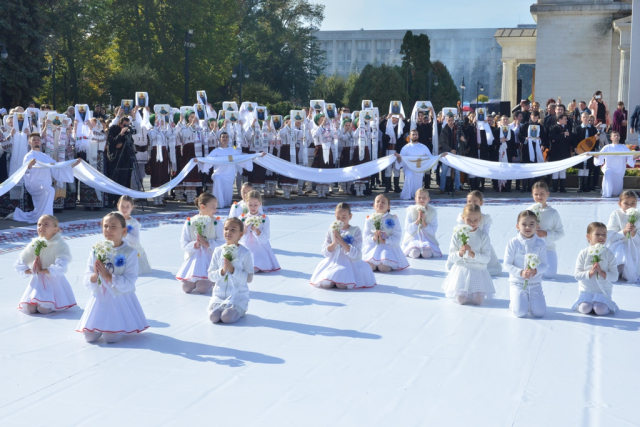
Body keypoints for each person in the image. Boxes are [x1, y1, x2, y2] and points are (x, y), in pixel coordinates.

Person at [76, 211, 149, 343]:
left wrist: (109, 276)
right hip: (100, 297)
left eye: (113, 227)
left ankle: (118, 324)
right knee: (89, 337)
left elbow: (130, 281)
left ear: (124, 230)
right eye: (105, 226)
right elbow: (88, 275)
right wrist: (94, 276)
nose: (108, 230)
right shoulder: (96, 250)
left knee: (111, 338)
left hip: (118, 297)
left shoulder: (130, 252)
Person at [10, 134, 79, 223]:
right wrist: (30, 165)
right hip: (33, 184)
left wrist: (72, 164)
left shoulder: (45, 157)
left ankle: (36, 216)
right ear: (30, 142)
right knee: (50, 190)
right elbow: (26, 170)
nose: (36, 141)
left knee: (48, 191)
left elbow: (56, 167)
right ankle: (47, 219)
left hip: (45, 183)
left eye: (38, 139)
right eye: (34, 140)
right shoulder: (28, 156)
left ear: (41, 142)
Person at [15, 214, 76, 314]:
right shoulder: (35, 243)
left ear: (55, 229)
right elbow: (21, 261)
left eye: (46, 224)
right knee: (30, 309)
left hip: (53, 281)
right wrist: (32, 271)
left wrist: (43, 270)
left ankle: (53, 303)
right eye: (39, 225)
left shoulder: (60, 245)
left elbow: (61, 265)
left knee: (43, 309)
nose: (41, 227)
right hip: (37, 281)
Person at [310, 202, 376, 289]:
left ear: (350, 216)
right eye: (338, 217)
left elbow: (356, 253)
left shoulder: (355, 230)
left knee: (341, 284)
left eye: (344, 217)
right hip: (334, 261)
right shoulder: (331, 230)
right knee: (326, 284)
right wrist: (334, 243)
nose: (341, 220)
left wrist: (341, 242)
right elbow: (325, 251)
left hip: (349, 262)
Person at [442, 203, 495, 305]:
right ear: (463, 218)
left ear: (480, 219)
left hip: (478, 270)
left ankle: (475, 292)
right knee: (461, 300)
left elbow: (486, 259)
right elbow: (451, 257)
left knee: (478, 300)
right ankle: (464, 291)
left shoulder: (483, 236)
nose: (472, 223)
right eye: (469, 220)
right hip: (462, 269)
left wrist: (473, 254)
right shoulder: (457, 234)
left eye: (475, 220)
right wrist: (460, 253)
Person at [207, 217, 254, 324]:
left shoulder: (245, 253)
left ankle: (241, 309)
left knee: (226, 318)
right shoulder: (218, 251)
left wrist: (233, 270)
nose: (228, 232)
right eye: (226, 229)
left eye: (233, 230)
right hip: (219, 296)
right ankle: (221, 308)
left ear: (241, 234)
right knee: (213, 318)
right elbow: (210, 275)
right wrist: (222, 271)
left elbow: (249, 278)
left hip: (237, 296)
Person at [176, 193, 224, 293]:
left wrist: (207, 244)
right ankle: (196, 279)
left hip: (210, 260)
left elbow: (222, 243)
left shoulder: (217, 223)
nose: (215, 210)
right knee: (186, 288)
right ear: (203, 206)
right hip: (194, 260)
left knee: (202, 289)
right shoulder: (190, 222)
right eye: (213, 207)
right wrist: (195, 245)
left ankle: (212, 280)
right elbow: (184, 244)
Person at [504, 209, 549, 318]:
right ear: (517, 226)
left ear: (537, 226)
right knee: (520, 313)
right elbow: (507, 264)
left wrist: (536, 270)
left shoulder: (540, 243)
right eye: (524, 224)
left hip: (534, 283)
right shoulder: (513, 243)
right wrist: (521, 273)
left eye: (531, 224)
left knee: (539, 313)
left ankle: (530, 301)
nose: (528, 227)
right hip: (518, 283)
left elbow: (544, 264)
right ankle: (515, 302)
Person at [572, 222, 618, 316]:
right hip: (587, 291)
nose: (601, 237)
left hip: (602, 292)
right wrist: (590, 273)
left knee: (600, 310)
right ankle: (586, 303)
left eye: (604, 234)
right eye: (597, 234)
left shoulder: (609, 254)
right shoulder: (583, 253)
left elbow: (615, 277)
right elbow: (577, 275)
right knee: (585, 308)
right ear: (588, 237)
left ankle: (606, 305)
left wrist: (601, 272)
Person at [456, 191, 502, 276]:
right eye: (469, 201)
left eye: (475, 201)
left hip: (480, 242)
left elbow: (485, 233)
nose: (472, 203)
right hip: (466, 241)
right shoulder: (463, 217)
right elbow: (461, 230)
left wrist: (479, 242)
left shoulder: (485, 218)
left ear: (481, 203)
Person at [362, 194, 409, 272]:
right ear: (374, 205)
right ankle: (374, 263)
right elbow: (365, 237)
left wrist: (385, 241)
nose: (380, 203)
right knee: (370, 267)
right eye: (377, 201)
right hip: (373, 248)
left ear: (388, 207)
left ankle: (384, 263)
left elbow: (397, 237)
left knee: (384, 268)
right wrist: (373, 238)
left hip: (388, 248)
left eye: (383, 202)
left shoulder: (393, 218)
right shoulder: (369, 219)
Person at [202, 131, 249, 209]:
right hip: (219, 174)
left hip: (229, 176)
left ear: (228, 139)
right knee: (217, 179)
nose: (225, 138)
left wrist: (255, 156)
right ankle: (218, 203)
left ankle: (225, 204)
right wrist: (200, 161)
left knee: (227, 199)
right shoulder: (216, 151)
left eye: (226, 137)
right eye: (223, 137)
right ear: (220, 139)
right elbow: (208, 160)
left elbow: (241, 159)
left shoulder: (233, 151)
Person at [529, 181, 564, 279]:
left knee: (550, 274)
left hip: (548, 247)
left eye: (542, 194)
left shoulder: (553, 213)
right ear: (532, 195)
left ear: (547, 194)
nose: (539, 196)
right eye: (536, 194)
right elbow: (520, 232)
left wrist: (546, 234)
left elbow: (560, 233)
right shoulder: (528, 211)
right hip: (531, 247)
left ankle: (540, 268)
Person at [239, 191, 280, 273]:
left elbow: (266, 237)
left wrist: (257, 231)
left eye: (255, 205)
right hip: (245, 245)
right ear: (246, 204)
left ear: (260, 204)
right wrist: (244, 231)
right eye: (250, 205)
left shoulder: (264, 219)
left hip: (259, 246)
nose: (252, 207)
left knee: (255, 268)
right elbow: (238, 237)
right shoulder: (242, 218)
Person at [605, 190, 640, 283]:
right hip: (617, 247)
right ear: (619, 204)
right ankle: (617, 269)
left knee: (632, 275)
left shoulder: (638, 216)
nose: (629, 206)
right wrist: (624, 231)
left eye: (633, 203)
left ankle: (628, 271)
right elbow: (610, 237)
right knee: (621, 248)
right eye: (626, 203)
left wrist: (633, 233)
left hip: (635, 248)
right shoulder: (616, 214)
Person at [593, 131, 635, 198]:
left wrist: (638, 155)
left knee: (616, 193)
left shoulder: (624, 147)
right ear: (611, 138)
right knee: (608, 173)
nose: (616, 137)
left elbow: (631, 157)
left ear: (619, 137)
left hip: (619, 172)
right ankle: (606, 195)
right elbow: (600, 156)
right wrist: (592, 154)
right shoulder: (607, 147)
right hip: (609, 169)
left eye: (617, 135)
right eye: (614, 135)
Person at [401, 188, 441, 259]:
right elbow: (407, 229)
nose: (422, 200)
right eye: (419, 198)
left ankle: (425, 249)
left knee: (426, 254)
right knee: (414, 253)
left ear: (428, 199)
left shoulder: (432, 212)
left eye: (424, 198)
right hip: (413, 238)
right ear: (415, 199)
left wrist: (424, 223)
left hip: (427, 238)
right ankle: (414, 249)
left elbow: (432, 231)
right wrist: (417, 221)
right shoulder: (411, 211)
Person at [77, 117, 107, 210]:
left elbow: (98, 138)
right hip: (87, 157)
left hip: (98, 158)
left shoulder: (102, 132)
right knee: (87, 180)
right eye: (90, 123)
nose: (90, 124)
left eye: (92, 123)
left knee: (97, 179)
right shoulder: (86, 132)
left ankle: (98, 202)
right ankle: (87, 203)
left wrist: (91, 128)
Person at [106, 114, 135, 207]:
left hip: (125, 158)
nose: (126, 127)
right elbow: (111, 142)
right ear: (120, 123)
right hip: (115, 158)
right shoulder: (113, 129)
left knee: (124, 180)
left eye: (127, 125)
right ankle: (111, 200)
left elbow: (130, 142)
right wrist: (121, 134)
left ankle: (120, 200)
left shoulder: (128, 131)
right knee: (114, 179)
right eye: (124, 125)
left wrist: (123, 143)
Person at [117, 195, 151, 275]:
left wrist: (126, 235)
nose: (124, 209)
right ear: (118, 206)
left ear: (132, 207)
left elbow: (136, 240)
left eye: (127, 206)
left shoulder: (133, 223)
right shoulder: (114, 218)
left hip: (129, 247)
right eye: (122, 206)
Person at [394, 129, 432, 200]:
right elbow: (401, 160)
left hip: (419, 168)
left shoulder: (423, 147)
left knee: (418, 182)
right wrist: (398, 157)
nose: (415, 136)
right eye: (413, 135)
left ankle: (417, 196)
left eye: (416, 135)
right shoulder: (406, 147)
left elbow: (430, 157)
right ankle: (406, 195)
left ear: (418, 136)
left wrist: (439, 157)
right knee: (409, 175)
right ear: (410, 136)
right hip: (408, 168)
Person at [518, 111, 546, 192]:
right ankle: (524, 186)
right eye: (534, 117)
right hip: (526, 149)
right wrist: (525, 139)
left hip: (535, 149)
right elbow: (520, 136)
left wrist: (540, 140)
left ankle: (531, 186)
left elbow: (544, 137)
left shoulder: (540, 126)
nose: (535, 119)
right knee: (525, 167)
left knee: (533, 168)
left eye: (536, 117)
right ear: (530, 116)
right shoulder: (525, 125)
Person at [146, 114, 171, 206]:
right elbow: (153, 137)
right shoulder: (151, 131)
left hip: (163, 155)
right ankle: (155, 198)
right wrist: (156, 126)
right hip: (156, 154)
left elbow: (170, 134)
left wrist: (169, 122)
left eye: (161, 120)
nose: (161, 122)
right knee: (156, 175)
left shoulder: (163, 131)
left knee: (163, 176)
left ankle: (160, 198)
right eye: (158, 120)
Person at [311, 114, 337, 198]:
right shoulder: (314, 129)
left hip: (327, 149)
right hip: (320, 149)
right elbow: (315, 135)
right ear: (318, 121)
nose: (324, 121)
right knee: (319, 169)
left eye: (324, 120)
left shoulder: (328, 129)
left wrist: (330, 127)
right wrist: (322, 125)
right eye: (321, 120)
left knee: (327, 168)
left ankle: (325, 190)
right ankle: (319, 191)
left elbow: (334, 136)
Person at [573, 111, 600, 192]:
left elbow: (596, 140)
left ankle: (586, 186)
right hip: (580, 151)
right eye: (583, 117)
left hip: (589, 151)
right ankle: (580, 186)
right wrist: (575, 148)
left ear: (589, 118)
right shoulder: (578, 128)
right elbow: (574, 139)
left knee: (587, 168)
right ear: (581, 119)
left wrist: (595, 147)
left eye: (587, 117)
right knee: (581, 168)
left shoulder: (593, 129)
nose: (585, 119)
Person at [548, 114, 574, 192]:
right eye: (565, 119)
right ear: (560, 120)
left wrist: (566, 136)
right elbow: (553, 137)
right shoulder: (554, 127)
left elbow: (571, 138)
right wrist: (563, 135)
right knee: (556, 170)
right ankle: (554, 187)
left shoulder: (568, 128)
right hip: (555, 152)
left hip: (565, 151)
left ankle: (562, 187)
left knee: (563, 170)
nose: (566, 120)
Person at [438, 113, 462, 194]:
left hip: (456, 152)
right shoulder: (444, 130)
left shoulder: (458, 129)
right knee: (444, 171)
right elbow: (442, 142)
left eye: (452, 120)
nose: (450, 122)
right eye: (449, 120)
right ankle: (442, 188)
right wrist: (450, 150)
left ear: (454, 120)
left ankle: (457, 188)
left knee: (457, 172)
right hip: (446, 153)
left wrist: (463, 140)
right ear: (446, 120)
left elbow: (463, 139)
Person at [495, 115, 517, 192]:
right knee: (499, 169)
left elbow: (513, 144)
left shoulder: (511, 132)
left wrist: (514, 154)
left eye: (506, 119)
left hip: (509, 153)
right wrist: (500, 141)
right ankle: (499, 186)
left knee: (508, 169)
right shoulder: (497, 131)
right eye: (503, 119)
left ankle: (507, 186)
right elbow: (493, 142)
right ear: (500, 121)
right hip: (499, 153)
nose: (505, 121)